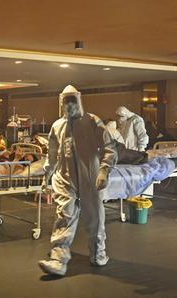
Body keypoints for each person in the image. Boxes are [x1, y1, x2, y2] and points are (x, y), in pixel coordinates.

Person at [38, 85, 116, 276]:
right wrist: (47, 174)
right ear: (61, 102)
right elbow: (53, 153)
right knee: (64, 216)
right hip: (65, 177)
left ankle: (98, 254)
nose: (70, 104)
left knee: (95, 217)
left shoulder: (92, 121)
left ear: (79, 101)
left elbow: (109, 147)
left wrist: (104, 171)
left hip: (90, 175)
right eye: (66, 101)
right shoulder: (57, 126)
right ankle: (58, 259)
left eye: (73, 100)